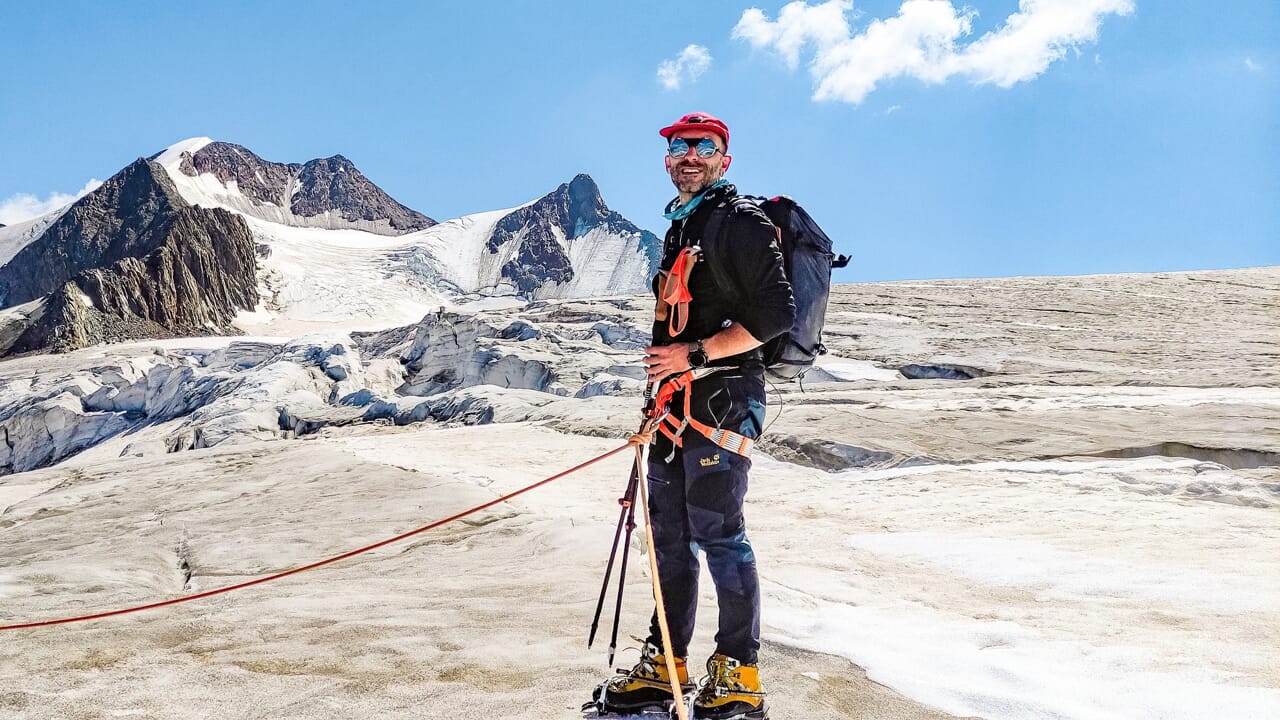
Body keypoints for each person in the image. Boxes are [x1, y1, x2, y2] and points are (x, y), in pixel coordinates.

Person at [597, 113, 794, 720]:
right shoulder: (683, 228)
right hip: (673, 407)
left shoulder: (739, 221)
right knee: (668, 543)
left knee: (719, 536)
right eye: (679, 146)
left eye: (704, 147)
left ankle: (739, 674)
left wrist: (696, 353)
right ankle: (667, 664)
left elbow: (775, 312)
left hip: (722, 400)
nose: (689, 155)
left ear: (724, 160)